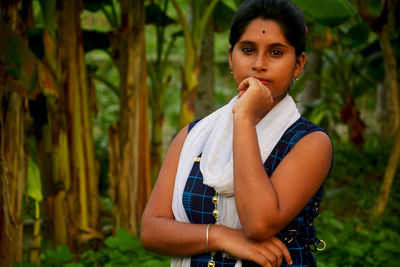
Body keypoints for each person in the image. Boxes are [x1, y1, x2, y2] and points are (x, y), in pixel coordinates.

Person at [140, 0, 333, 266]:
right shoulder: (192, 136)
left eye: (276, 53)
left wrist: (244, 118)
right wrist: (219, 236)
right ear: (231, 57)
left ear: (298, 64)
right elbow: (151, 230)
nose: (259, 64)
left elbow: (259, 224)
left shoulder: (310, 143)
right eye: (247, 50)